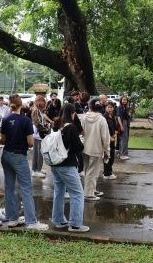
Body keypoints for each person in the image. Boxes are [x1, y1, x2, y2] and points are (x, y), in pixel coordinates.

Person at [1, 94, 49, 230]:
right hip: (19, 155)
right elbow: (30, 142)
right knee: (26, 189)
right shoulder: (25, 120)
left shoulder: (5, 120)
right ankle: (32, 221)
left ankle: (12, 218)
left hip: (6, 155)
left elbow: (3, 140)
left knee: (9, 187)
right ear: (21, 104)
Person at [50, 103, 89, 232]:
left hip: (55, 164)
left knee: (59, 192)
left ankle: (59, 220)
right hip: (67, 164)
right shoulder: (71, 127)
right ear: (72, 114)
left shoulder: (56, 125)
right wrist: (80, 141)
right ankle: (75, 224)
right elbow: (78, 147)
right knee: (77, 193)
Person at [81, 98, 110, 201]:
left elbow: (81, 132)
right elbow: (105, 137)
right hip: (96, 149)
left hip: (85, 148)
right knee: (93, 172)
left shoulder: (84, 117)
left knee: (88, 170)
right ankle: (89, 193)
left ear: (89, 107)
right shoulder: (101, 119)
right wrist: (107, 150)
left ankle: (90, 189)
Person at [31, 95, 49, 178]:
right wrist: (45, 129)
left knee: (40, 152)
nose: (43, 102)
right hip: (38, 134)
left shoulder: (39, 111)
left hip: (39, 134)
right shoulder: (36, 111)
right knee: (38, 153)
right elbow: (37, 123)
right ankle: (36, 170)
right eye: (41, 101)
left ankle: (38, 168)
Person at [102, 101, 118, 180]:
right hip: (107, 140)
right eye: (108, 107)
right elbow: (103, 130)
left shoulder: (113, 116)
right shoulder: (104, 117)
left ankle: (109, 171)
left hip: (112, 139)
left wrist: (115, 133)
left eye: (111, 107)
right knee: (107, 156)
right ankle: (106, 173)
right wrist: (109, 137)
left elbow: (114, 127)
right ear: (105, 108)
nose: (110, 109)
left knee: (111, 156)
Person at [116, 95, 131, 160]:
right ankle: (123, 154)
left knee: (123, 139)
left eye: (126, 100)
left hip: (126, 123)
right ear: (121, 100)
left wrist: (129, 114)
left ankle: (120, 153)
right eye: (123, 100)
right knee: (124, 139)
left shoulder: (126, 108)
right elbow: (118, 117)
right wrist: (121, 125)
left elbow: (128, 117)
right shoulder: (119, 108)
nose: (125, 101)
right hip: (122, 123)